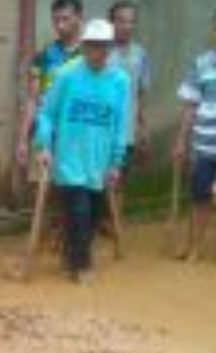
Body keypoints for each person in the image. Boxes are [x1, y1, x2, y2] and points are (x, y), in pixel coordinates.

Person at [34, 19, 130, 284]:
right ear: (85, 46)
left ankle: (71, 255)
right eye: (92, 46)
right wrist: (44, 145)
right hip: (69, 158)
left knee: (94, 215)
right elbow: (47, 114)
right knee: (79, 211)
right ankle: (82, 266)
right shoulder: (66, 74)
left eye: (103, 47)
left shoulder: (120, 80)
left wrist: (116, 162)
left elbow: (121, 123)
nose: (97, 52)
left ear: (110, 49)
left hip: (99, 161)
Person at [16, 0, 85, 169]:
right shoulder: (45, 56)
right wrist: (23, 139)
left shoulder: (92, 56)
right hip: (50, 133)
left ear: (80, 18)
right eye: (56, 20)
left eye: (65, 19)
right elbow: (33, 99)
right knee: (48, 185)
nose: (60, 26)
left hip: (83, 134)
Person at [172, 10, 216, 262]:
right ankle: (194, 247)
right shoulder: (201, 63)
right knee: (199, 197)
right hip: (204, 146)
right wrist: (180, 142)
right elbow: (190, 106)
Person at [107, 0, 150, 229]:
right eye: (121, 20)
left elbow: (141, 95)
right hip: (102, 125)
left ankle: (115, 223)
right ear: (111, 22)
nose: (127, 26)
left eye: (131, 21)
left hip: (127, 129)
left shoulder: (140, 54)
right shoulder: (102, 52)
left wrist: (142, 129)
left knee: (120, 177)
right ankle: (97, 221)